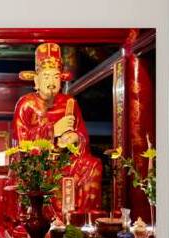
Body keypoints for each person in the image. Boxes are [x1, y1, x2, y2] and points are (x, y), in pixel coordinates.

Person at [11, 42, 102, 218]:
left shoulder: (70, 103)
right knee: (35, 172)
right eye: (46, 77)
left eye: (56, 77)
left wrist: (75, 138)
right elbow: (21, 143)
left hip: (66, 160)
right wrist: (52, 131)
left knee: (93, 165)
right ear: (36, 80)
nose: (51, 82)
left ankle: (82, 219)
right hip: (38, 162)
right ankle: (40, 217)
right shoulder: (26, 104)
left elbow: (82, 135)